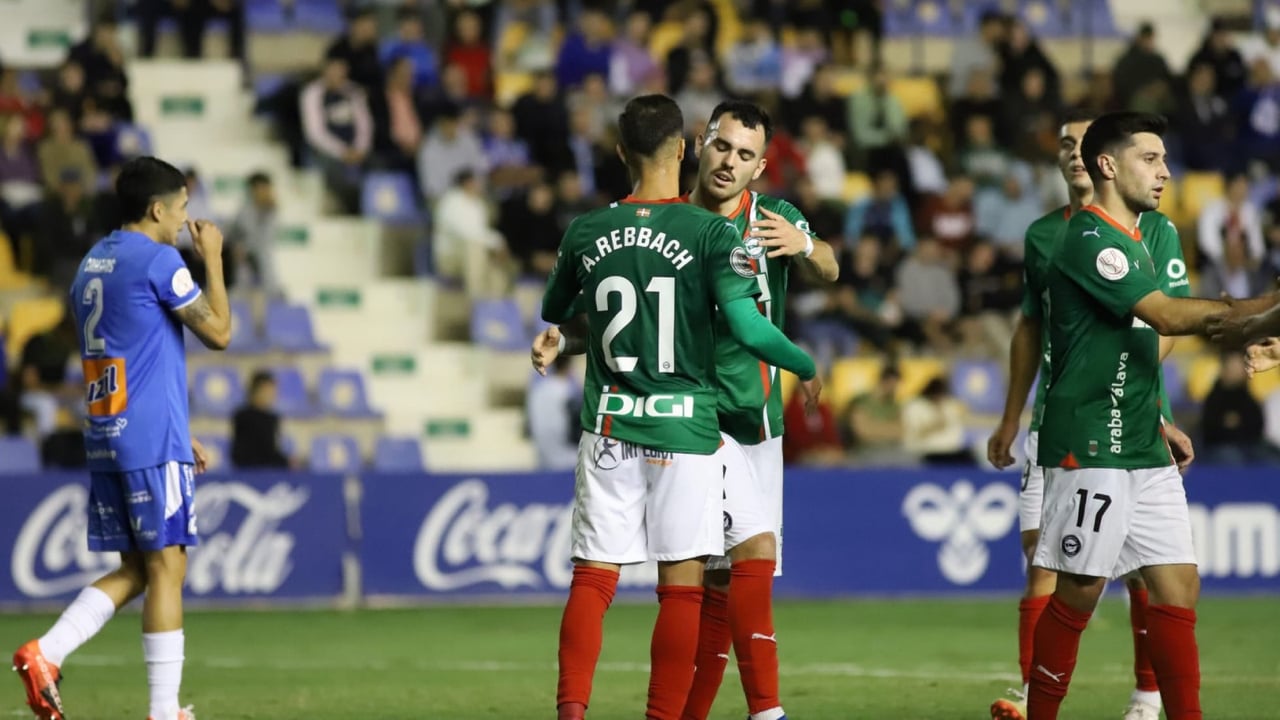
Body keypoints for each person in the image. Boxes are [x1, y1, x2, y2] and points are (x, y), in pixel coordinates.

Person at [534, 100, 840, 720]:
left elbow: (830, 268)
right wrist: (805, 366)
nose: (730, 162)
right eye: (723, 147)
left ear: (760, 167)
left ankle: (726, 711)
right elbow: (722, 326)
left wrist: (806, 244)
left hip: (740, 419)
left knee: (728, 573)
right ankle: (749, 712)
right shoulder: (701, 229)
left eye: (746, 155)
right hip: (694, 422)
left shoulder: (773, 216)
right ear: (694, 146)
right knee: (706, 574)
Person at [1026, 112, 1247, 720]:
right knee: (1079, 592)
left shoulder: (1144, 237)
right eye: (1150, 158)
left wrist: (1252, 328)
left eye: (1164, 159)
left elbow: (1135, 347)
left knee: (1177, 587)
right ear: (1108, 165)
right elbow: (1167, 319)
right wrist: (1261, 313)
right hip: (1090, 442)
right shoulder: (1091, 239)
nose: (1165, 171)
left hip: (1141, 437)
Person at [986, 111, 1197, 720]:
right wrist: (1011, 416)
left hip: (1133, 425)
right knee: (1057, 572)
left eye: (1083, 142)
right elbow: (1034, 329)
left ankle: (1147, 696)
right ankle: (1037, 697)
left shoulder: (1154, 232)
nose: (1073, 153)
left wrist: (1149, 411)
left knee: (1163, 579)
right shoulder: (1057, 236)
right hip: (1074, 427)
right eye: (1065, 144)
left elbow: (1163, 324)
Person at [11, 156, 232, 720]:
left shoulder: (94, 260)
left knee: (139, 569)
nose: (186, 221)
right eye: (182, 209)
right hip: (149, 440)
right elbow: (220, 334)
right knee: (168, 568)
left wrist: (182, 430)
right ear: (158, 208)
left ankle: (46, 652)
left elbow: (132, 346)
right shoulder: (161, 260)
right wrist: (213, 259)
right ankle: (163, 713)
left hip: (110, 430)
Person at [231, 370, 291, 469]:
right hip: (248, 471)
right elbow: (246, 452)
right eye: (268, 390)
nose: (273, 395)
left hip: (270, 471)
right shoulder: (243, 416)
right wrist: (285, 462)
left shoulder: (272, 418)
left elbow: (272, 451)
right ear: (256, 390)